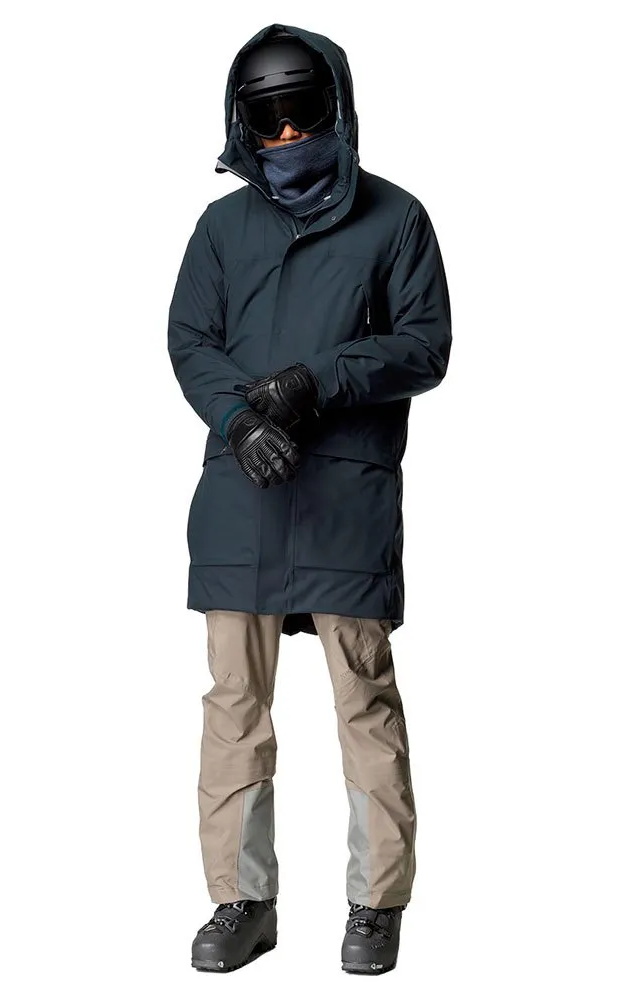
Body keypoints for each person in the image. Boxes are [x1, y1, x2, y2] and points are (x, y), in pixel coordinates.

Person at [167, 22, 451, 975]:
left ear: (338, 108)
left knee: (363, 699)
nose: (288, 136)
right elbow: (190, 340)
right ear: (242, 125)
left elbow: (425, 346)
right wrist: (238, 420)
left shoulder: (396, 219)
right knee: (234, 704)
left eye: (303, 114)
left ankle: (376, 904)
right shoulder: (221, 230)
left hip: (344, 498)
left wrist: (319, 379)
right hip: (241, 495)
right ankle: (242, 900)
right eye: (269, 120)